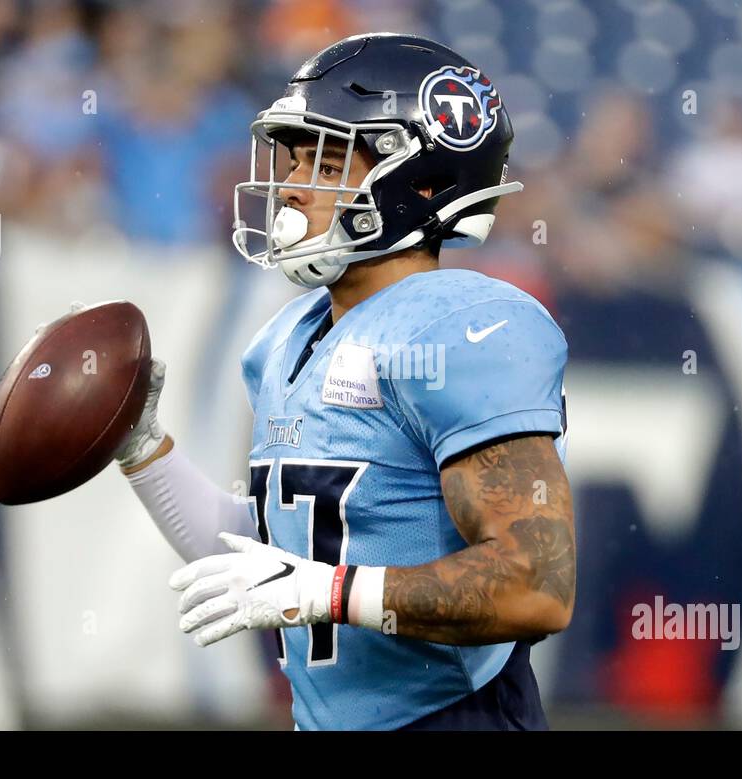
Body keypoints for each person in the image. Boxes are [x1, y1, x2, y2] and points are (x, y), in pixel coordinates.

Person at [114, 33, 575, 730]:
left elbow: (537, 584)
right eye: (295, 155)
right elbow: (278, 561)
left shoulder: (468, 328)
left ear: (420, 181)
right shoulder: (285, 340)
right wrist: (142, 448)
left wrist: (329, 591)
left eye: (326, 159)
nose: (294, 182)